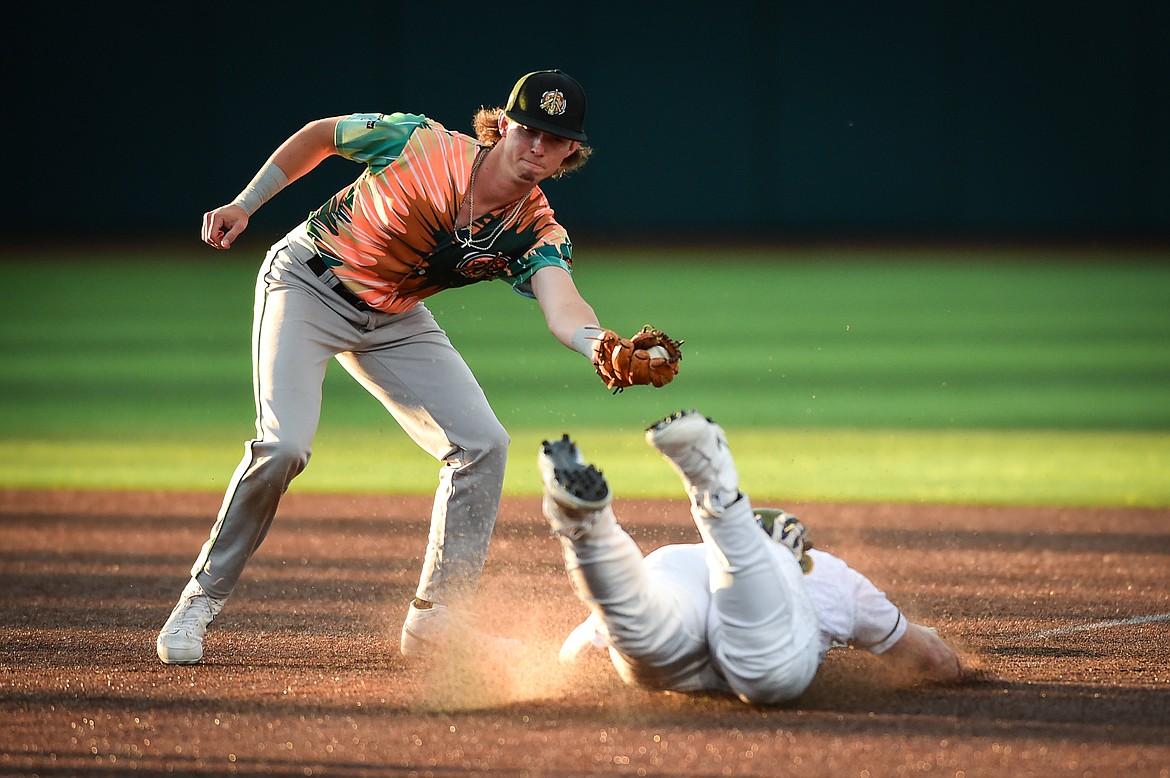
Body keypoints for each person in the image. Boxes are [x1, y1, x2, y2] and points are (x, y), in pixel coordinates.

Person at [157, 70, 678, 665]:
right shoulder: (420, 142)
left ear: (569, 154)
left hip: (396, 318)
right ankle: (198, 602)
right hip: (307, 281)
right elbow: (322, 135)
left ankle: (439, 621)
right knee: (284, 448)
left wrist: (600, 345)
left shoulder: (535, 228)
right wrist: (246, 203)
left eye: (554, 139)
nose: (537, 145)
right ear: (503, 125)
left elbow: (564, 305)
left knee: (483, 444)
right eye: (529, 128)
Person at [538, 410, 963, 705]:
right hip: (751, 629)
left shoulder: (685, 555)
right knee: (764, 675)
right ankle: (713, 486)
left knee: (637, 626)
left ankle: (585, 527)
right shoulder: (826, 575)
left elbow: (579, 655)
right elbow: (933, 662)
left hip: (675, 580)